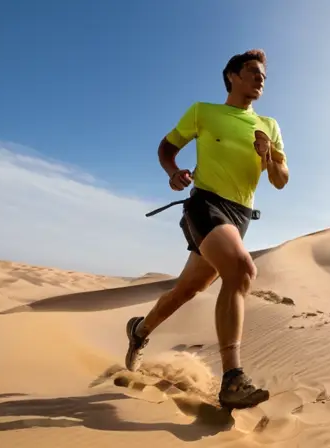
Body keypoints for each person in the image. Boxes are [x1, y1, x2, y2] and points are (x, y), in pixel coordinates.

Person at [124, 49, 289, 410]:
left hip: (240, 215)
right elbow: (167, 147)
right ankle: (233, 379)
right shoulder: (204, 111)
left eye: (263, 75)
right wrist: (173, 172)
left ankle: (139, 331)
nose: (260, 78)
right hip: (205, 204)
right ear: (231, 76)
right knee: (243, 270)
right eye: (252, 71)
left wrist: (267, 155)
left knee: (187, 290)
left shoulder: (270, 126)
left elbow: (280, 180)